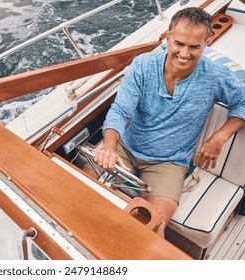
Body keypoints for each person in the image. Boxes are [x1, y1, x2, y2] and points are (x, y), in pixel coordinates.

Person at [94, 7, 245, 229]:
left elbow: (242, 102)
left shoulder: (216, 76)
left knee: (150, 227)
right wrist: (109, 145)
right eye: (179, 44)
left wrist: (219, 137)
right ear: (168, 37)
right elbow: (120, 110)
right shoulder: (142, 65)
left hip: (169, 162)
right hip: (125, 148)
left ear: (207, 43)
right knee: (82, 192)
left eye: (194, 47)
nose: (185, 54)